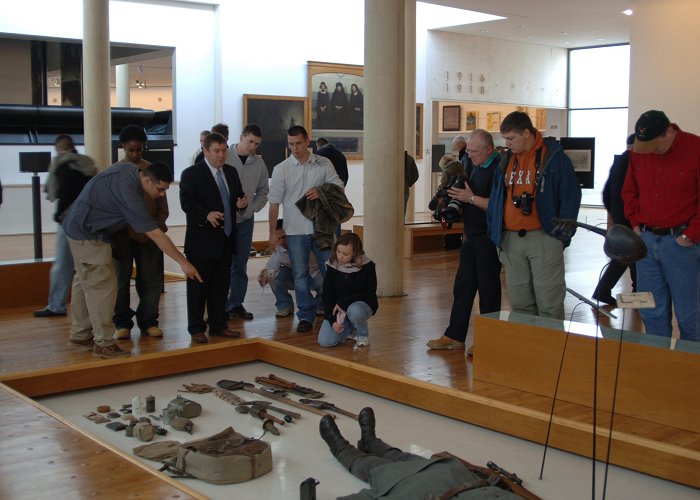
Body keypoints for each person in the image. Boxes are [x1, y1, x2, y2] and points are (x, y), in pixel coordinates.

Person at [63, 161, 201, 358]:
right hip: (88, 234)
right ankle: (103, 343)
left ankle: (80, 334)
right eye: (160, 189)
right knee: (103, 284)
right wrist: (184, 263)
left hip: (77, 226)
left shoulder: (129, 170)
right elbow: (156, 234)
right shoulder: (131, 196)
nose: (162, 195)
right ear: (146, 179)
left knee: (84, 280)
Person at [486, 111, 581, 319]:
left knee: (549, 301)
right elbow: (496, 197)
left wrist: (561, 237)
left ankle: (551, 350)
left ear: (526, 133)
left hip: (544, 237)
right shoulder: (506, 160)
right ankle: (527, 350)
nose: (508, 143)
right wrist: (496, 233)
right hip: (510, 239)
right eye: (505, 139)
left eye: (511, 138)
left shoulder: (554, 158)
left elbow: (570, 195)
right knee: (520, 303)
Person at [319, 407, 521, 499]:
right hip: (452, 474)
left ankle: (341, 448)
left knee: (374, 467)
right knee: (402, 457)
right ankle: (371, 442)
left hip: (415, 490)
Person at [622, 110, 700, 342]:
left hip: (682, 245)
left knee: (690, 315)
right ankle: (658, 367)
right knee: (650, 309)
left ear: (669, 132)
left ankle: (691, 370)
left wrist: (689, 236)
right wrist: (635, 224)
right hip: (646, 243)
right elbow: (629, 190)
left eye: (656, 146)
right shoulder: (640, 151)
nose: (652, 152)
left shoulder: (695, 149)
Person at [427, 130, 501, 354]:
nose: (470, 155)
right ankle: (454, 335)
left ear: (489, 149)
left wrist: (469, 198)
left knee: (488, 291)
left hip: (488, 238)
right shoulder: (472, 164)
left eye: (474, 151)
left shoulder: (498, 168)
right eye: (467, 150)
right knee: (463, 287)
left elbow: (498, 206)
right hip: (470, 236)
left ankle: (488, 340)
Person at [268, 125, 344, 333]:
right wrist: (273, 232)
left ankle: (330, 311)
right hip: (294, 230)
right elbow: (274, 203)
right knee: (300, 273)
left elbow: (338, 186)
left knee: (330, 270)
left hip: (322, 228)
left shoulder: (323, 163)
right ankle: (305, 316)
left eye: (299, 143)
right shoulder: (281, 169)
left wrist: (322, 191)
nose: (295, 148)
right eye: (291, 144)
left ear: (307, 141)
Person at [180, 132, 248, 344]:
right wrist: (205, 215)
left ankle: (219, 324)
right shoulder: (191, 174)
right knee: (198, 288)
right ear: (205, 151)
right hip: (201, 242)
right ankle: (196, 328)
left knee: (221, 286)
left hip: (226, 239)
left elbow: (237, 196)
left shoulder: (231, 171)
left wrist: (241, 204)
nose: (221, 156)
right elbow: (187, 203)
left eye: (224, 150)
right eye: (216, 151)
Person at [111, 125, 169, 340]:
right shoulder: (116, 171)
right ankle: (122, 322)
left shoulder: (152, 170)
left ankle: (148, 321)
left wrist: (156, 225)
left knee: (151, 280)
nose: (135, 154)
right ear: (123, 147)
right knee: (120, 280)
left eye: (139, 149)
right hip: (123, 236)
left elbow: (163, 206)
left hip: (150, 235)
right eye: (130, 150)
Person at [33, 135, 97, 318]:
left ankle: (56, 305)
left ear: (59, 148)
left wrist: (58, 214)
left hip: (68, 219)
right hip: (88, 219)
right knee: (86, 264)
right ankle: (89, 306)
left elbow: (65, 192)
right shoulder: (87, 163)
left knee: (62, 263)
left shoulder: (63, 165)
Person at [225, 124, 270, 321]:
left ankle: (236, 304)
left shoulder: (259, 164)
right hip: (223, 221)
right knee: (221, 264)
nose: (253, 147)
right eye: (250, 141)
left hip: (245, 221)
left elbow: (263, 192)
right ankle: (218, 305)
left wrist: (250, 209)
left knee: (240, 264)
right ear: (241, 137)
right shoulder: (224, 156)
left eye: (257, 144)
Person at [591, 134, 637, 307]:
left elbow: (606, 192)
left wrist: (613, 213)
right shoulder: (631, 162)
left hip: (621, 217)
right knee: (627, 256)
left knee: (628, 257)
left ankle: (633, 292)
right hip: (630, 218)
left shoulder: (618, 162)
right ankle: (606, 291)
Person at [318, 233, 378, 348]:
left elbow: (368, 293)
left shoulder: (368, 266)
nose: (340, 256)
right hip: (340, 311)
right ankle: (351, 328)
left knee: (355, 310)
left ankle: (362, 335)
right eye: (338, 251)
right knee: (325, 341)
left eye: (345, 254)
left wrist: (343, 302)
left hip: (361, 305)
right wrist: (332, 321)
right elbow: (327, 295)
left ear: (355, 253)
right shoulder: (332, 266)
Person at [258, 220, 323, 317]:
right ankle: (285, 306)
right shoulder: (279, 249)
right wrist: (265, 277)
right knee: (274, 276)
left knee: (326, 279)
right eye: (278, 239)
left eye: (284, 237)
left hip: (314, 276)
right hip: (297, 279)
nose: (281, 242)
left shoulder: (308, 242)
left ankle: (320, 305)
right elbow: (271, 269)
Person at [404, 151, 419, 216]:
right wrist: (408, 184)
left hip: (393, 191)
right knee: (402, 213)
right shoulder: (410, 158)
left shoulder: (393, 158)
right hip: (405, 189)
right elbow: (416, 175)